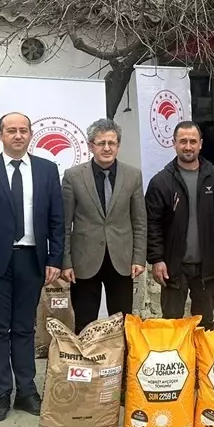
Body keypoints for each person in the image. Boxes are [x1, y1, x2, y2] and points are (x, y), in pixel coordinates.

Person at [0, 113, 64, 422]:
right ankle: (1, 393)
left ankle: (26, 391)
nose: (18, 135)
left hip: (31, 260)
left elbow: (57, 221)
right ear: (0, 135)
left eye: (23, 130)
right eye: (11, 130)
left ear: (31, 134)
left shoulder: (47, 171)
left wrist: (55, 260)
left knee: (24, 328)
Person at [145, 121, 214, 331]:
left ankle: (202, 364)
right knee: (172, 325)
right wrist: (157, 259)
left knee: (204, 325)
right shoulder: (161, 181)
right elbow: (152, 224)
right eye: (183, 141)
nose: (188, 146)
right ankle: (177, 364)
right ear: (174, 144)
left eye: (193, 141)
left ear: (201, 144)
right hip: (172, 267)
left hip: (207, 265)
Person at [61, 118, 145, 330]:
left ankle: (121, 362)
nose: (107, 148)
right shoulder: (73, 176)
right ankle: (88, 363)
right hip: (84, 261)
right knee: (85, 323)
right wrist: (66, 261)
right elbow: (64, 223)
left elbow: (139, 221)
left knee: (122, 321)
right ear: (91, 146)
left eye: (112, 143)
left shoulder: (133, 175)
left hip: (122, 260)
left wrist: (139, 257)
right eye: (101, 143)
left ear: (118, 145)